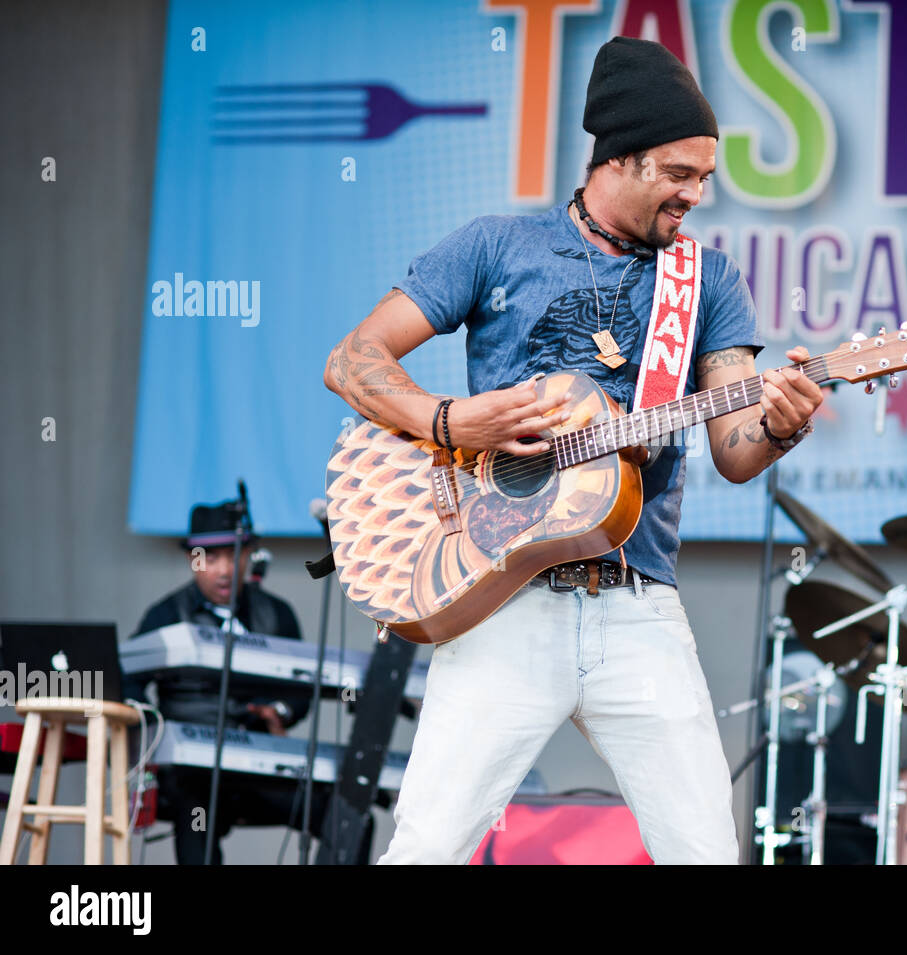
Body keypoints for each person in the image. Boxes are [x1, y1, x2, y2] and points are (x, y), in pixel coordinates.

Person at [324, 37, 823, 864]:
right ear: (619, 161)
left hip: (638, 604)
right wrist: (453, 420)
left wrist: (780, 420)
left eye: (705, 177)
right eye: (679, 174)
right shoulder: (495, 246)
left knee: (706, 850)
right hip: (501, 598)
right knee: (426, 847)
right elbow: (354, 358)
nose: (697, 195)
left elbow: (735, 448)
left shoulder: (707, 281)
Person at [129, 500, 339, 864]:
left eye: (234, 555)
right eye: (210, 559)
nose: (224, 570)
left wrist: (280, 712)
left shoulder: (275, 613)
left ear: (250, 557)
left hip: (261, 765)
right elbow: (128, 680)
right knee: (196, 819)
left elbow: (301, 689)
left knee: (344, 814)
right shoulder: (166, 616)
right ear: (192, 560)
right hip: (193, 773)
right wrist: (154, 735)